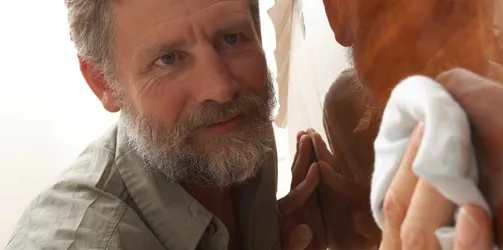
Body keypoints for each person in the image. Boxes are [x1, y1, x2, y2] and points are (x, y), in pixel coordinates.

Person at [4, 0, 383, 249]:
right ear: (104, 83)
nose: (220, 87)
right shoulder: (88, 242)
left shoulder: (233, 132)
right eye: (168, 59)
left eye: (232, 38)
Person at [319, 0, 503, 249]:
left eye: (450, 7)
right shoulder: (345, 115)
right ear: (336, 12)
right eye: (384, 8)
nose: (432, 46)